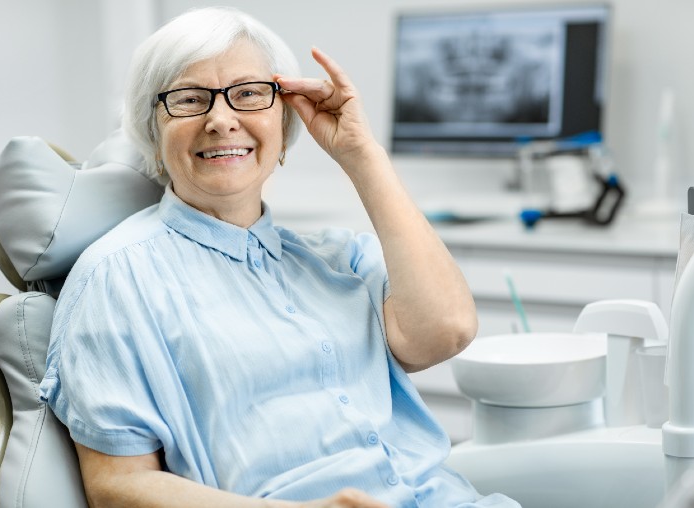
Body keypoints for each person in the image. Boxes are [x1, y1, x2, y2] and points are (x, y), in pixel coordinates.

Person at [39, 6, 519, 508]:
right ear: (152, 132)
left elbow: (447, 331)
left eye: (248, 94)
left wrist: (361, 153)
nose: (221, 120)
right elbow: (117, 487)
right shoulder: (116, 277)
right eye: (188, 99)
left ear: (284, 118)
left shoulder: (339, 259)